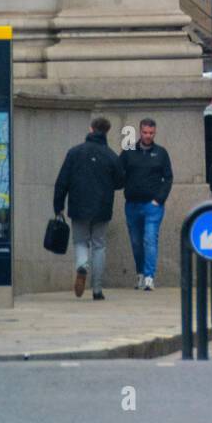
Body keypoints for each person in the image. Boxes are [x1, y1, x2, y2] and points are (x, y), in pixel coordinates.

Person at [53, 116, 124, 301]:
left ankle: (82, 265)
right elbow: (120, 182)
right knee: (99, 245)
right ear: (107, 131)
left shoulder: (74, 153)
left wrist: (58, 205)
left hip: (78, 205)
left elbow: (62, 181)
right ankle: (97, 289)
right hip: (102, 207)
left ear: (91, 129)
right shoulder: (111, 155)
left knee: (80, 241)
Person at [121, 117, 173, 291]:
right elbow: (119, 173)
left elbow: (168, 177)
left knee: (150, 240)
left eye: (151, 133)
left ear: (155, 132)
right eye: (145, 132)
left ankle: (149, 277)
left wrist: (159, 199)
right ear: (140, 131)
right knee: (136, 242)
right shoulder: (128, 151)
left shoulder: (161, 153)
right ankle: (140, 274)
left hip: (153, 206)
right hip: (132, 204)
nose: (148, 136)